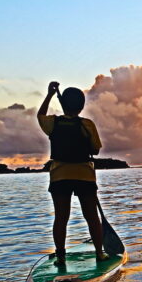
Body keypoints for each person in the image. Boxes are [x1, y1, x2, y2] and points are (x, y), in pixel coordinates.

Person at [37, 81, 106, 267]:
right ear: (81, 106)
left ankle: (60, 256)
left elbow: (40, 115)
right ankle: (99, 253)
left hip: (60, 176)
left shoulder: (53, 123)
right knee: (92, 216)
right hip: (84, 175)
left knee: (61, 217)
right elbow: (96, 150)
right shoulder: (87, 124)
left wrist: (50, 94)